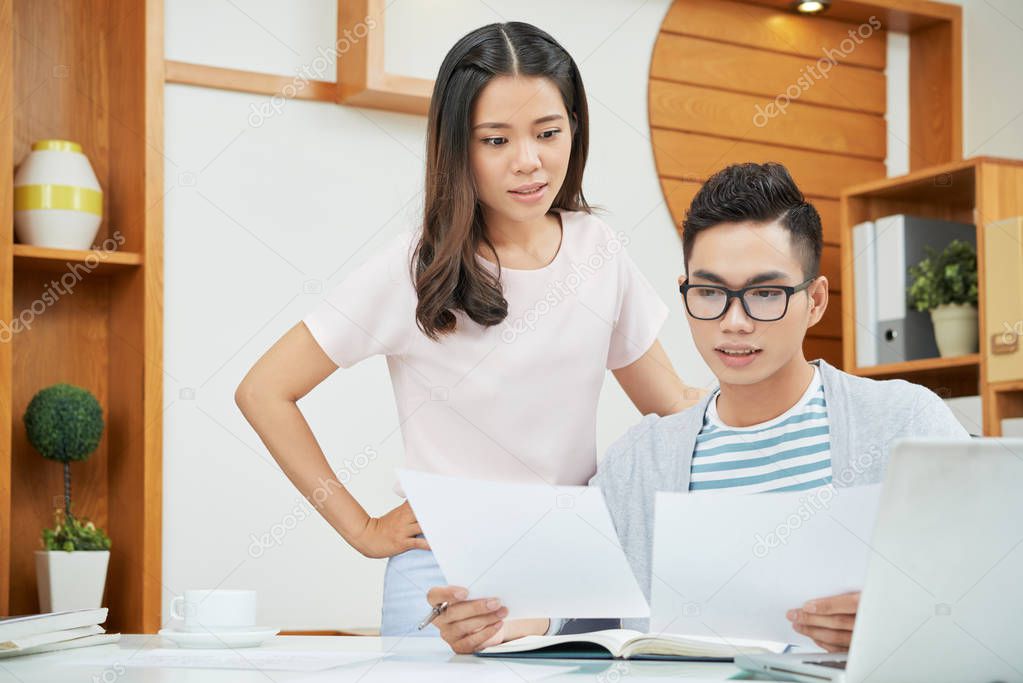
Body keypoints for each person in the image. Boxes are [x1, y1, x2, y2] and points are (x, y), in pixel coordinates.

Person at [234, 22, 703, 637]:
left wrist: (789, 398)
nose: (528, 161)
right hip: (448, 576)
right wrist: (363, 529)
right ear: (458, 146)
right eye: (495, 139)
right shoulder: (416, 268)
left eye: (547, 132)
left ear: (574, 129)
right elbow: (263, 391)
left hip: (573, 571)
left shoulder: (598, 250)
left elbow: (670, 405)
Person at [427, 162, 970, 653]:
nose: (734, 322)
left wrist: (899, 618)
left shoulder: (904, 423)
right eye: (709, 293)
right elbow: (568, 601)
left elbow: (983, 585)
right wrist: (501, 621)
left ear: (816, 301)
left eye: (765, 293)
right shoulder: (640, 461)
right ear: (684, 291)